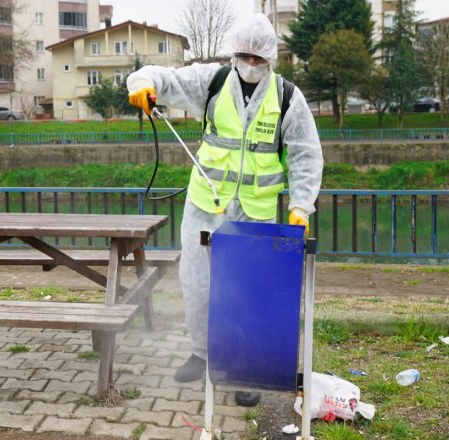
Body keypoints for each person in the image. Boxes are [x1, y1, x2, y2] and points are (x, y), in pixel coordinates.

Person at [126, 13, 323, 396]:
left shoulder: (286, 98)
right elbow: (163, 79)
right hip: (204, 206)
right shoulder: (211, 82)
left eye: (258, 59)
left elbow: (305, 154)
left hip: (255, 215)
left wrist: (301, 205)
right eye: (245, 56)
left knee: (248, 293)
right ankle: (201, 354)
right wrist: (142, 83)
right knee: (197, 286)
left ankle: (245, 367)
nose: (251, 64)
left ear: (271, 60)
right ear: (234, 54)